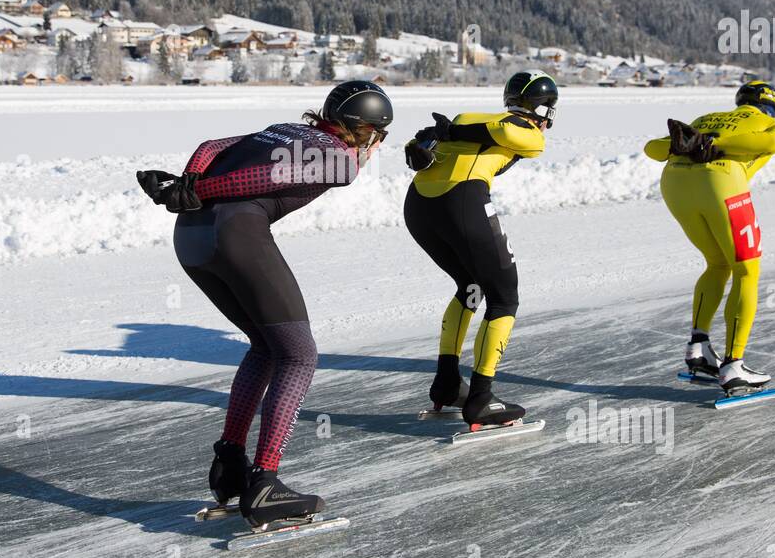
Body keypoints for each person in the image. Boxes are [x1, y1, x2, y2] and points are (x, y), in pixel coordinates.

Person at [137, 80, 393, 527]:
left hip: (192, 240)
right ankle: (265, 480)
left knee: (265, 345)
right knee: (298, 355)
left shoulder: (284, 129)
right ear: (365, 131)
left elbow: (210, 144)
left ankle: (230, 463)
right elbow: (265, 178)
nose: (377, 147)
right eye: (379, 136)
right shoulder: (342, 160)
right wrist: (202, 189)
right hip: (236, 235)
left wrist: (190, 183)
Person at [402, 71, 556, 427]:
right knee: (504, 297)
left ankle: (447, 382)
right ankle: (482, 398)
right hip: (461, 204)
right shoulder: (528, 131)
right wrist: (444, 136)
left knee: (470, 286)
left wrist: (437, 138)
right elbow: (510, 133)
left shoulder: (466, 117)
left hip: (419, 206)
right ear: (545, 110)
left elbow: (422, 147)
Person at [643, 79, 775, 392]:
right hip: (721, 184)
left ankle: (698, 347)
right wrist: (720, 147)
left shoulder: (705, 119)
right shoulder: (769, 124)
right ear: (773, 106)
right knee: (746, 270)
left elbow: (651, 149)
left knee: (717, 264)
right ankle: (734, 366)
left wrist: (693, 143)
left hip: (675, 186)